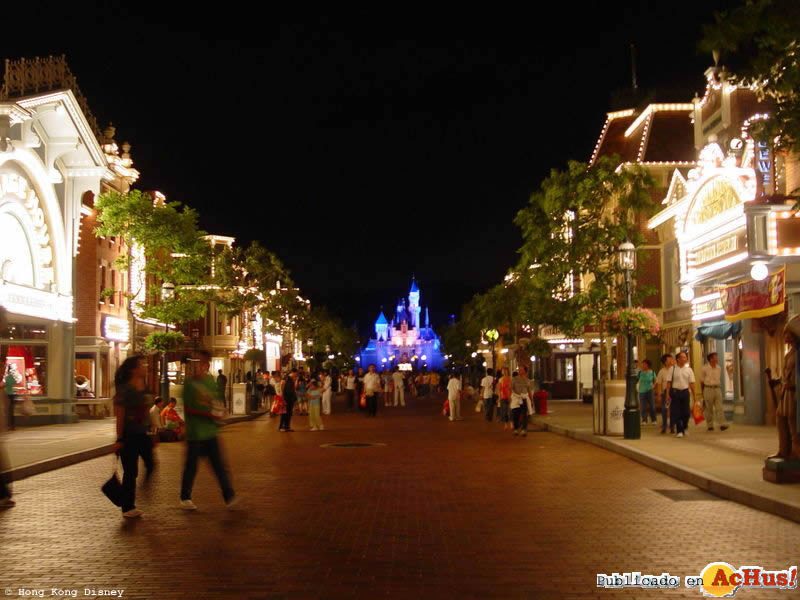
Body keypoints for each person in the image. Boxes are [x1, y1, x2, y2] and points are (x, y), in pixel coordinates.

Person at [180, 350, 238, 510]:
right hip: (195, 433)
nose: (197, 365)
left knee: (220, 466)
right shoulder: (189, 384)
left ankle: (229, 496)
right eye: (195, 362)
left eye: (201, 362)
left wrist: (220, 411)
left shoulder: (211, 381)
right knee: (191, 467)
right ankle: (185, 497)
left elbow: (215, 401)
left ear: (207, 365)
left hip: (211, 431)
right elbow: (189, 408)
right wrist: (208, 413)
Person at [113, 355, 154, 518]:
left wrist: (152, 430)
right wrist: (119, 438)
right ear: (133, 370)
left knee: (151, 463)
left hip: (142, 433)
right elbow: (120, 415)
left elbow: (147, 411)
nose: (145, 367)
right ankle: (127, 506)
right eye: (141, 365)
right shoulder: (124, 390)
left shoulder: (143, 387)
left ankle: (139, 491)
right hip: (129, 434)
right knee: (131, 472)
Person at [773, 330, 800, 459]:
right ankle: (783, 449)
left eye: (787, 334)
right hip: (786, 391)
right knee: (780, 418)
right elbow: (785, 371)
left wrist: (794, 384)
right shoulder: (789, 353)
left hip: (794, 391)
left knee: (793, 420)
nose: (785, 337)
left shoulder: (797, 352)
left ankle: (796, 450)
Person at [666, 351, 696, 439]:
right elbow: (669, 382)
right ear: (678, 359)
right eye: (682, 357)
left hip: (685, 392)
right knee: (676, 412)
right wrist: (667, 394)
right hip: (675, 392)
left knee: (686, 412)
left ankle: (685, 426)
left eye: (685, 357)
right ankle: (679, 430)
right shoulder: (672, 369)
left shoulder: (689, 370)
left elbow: (692, 383)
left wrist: (694, 396)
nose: (685, 359)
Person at [701, 352, 729, 432]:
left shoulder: (719, 368)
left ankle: (722, 424)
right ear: (711, 359)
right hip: (708, 388)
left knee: (719, 407)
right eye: (715, 357)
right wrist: (703, 391)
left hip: (717, 388)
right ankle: (710, 425)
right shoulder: (704, 368)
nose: (717, 358)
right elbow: (702, 381)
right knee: (708, 408)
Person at [510, 365, 535, 436]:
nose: (519, 371)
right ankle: (516, 428)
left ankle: (524, 429)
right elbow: (511, 388)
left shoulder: (527, 380)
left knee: (525, 415)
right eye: (519, 369)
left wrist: (531, 400)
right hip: (516, 398)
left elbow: (529, 391)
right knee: (515, 414)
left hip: (524, 399)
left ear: (525, 371)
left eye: (521, 369)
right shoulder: (514, 379)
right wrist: (511, 397)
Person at [655, 354, 675, 435]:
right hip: (665, 393)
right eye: (669, 359)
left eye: (671, 359)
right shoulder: (661, 371)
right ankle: (664, 427)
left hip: (673, 392)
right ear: (665, 362)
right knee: (664, 410)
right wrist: (659, 394)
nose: (671, 360)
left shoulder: (674, 370)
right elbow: (659, 383)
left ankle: (672, 427)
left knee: (673, 410)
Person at [638, 359, 657, 425]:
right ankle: (644, 420)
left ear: (648, 365)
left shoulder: (652, 372)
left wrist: (653, 386)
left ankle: (654, 419)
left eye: (644, 364)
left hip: (650, 390)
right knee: (643, 406)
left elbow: (655, 381)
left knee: (652, 406)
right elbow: (637, 380)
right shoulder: (640, 372)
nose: (643, 365)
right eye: (642, 364)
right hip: (641, 391)